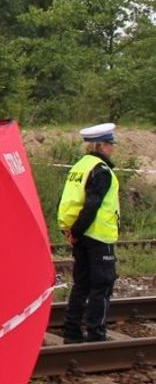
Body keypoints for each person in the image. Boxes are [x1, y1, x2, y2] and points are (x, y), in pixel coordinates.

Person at [57, 123, 120, 343]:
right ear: (101, 145)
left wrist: (73, 232)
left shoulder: (80, 166)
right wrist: (78, 230)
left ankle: (72, 331)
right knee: (102, 286)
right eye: (111, 144)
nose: (113, 148)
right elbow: (92, 204)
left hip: (81, 235)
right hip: (98, 236)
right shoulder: (101, 170)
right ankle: (96, 334)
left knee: (81, 283)